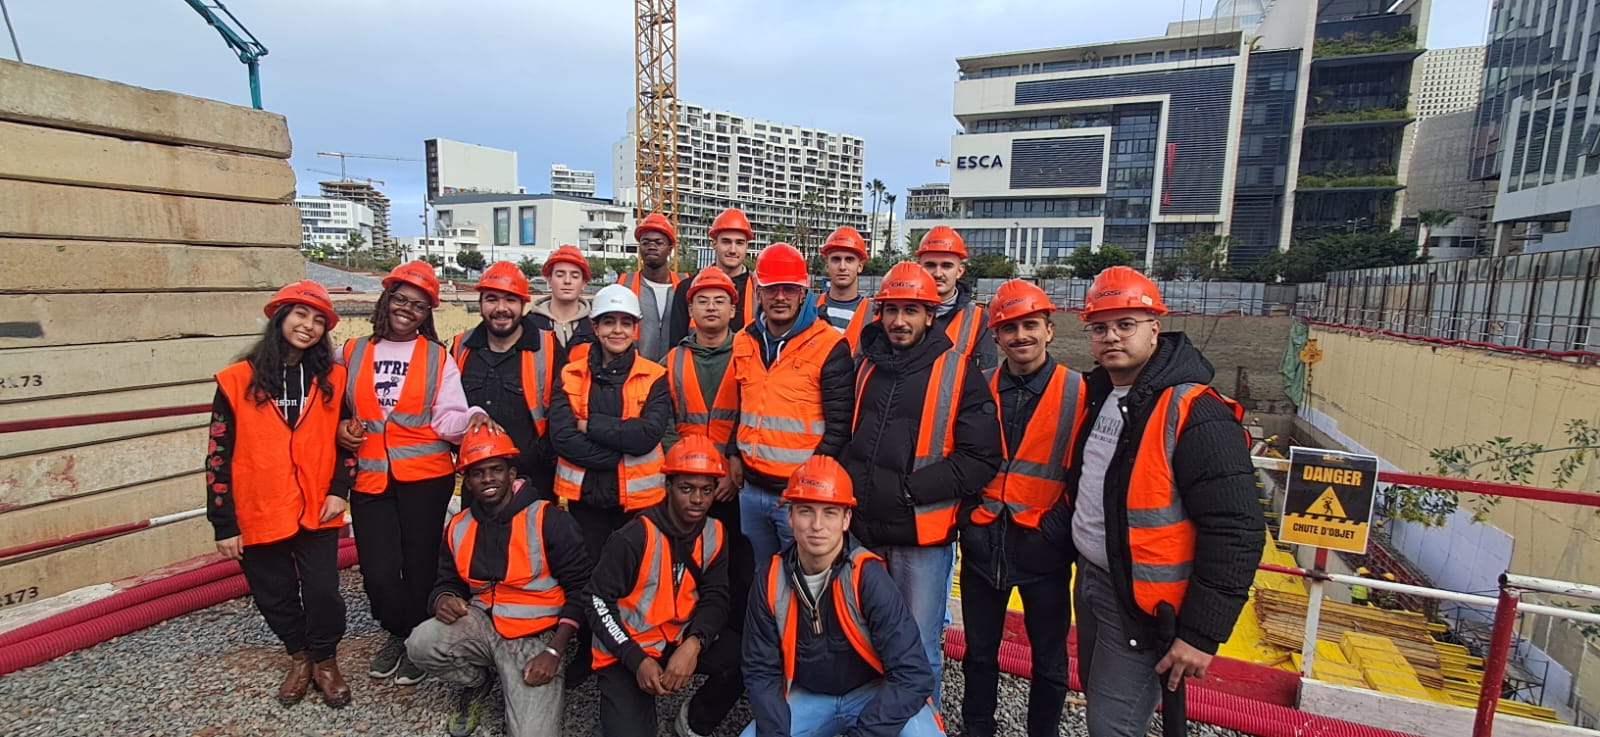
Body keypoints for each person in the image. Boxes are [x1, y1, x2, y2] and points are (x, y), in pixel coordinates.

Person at [1066, 266, 1264, 737]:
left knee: (1111, 725)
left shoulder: (1196, 411)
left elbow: (1237, 526)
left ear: (1156, 328)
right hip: (1093, 580)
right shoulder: (1104, 395)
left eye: (1125, 324)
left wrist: (1200, 633)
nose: (1111, 336)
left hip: (1145, 604)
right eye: (1100, 327)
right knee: (1099, 698)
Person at [844, 261, 1001, 698]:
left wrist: (911, 490)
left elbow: (982, 458)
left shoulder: (957, 371)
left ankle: (920, 724)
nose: (899, 321)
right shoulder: (865, 367)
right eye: (891, 310)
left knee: (919, 648)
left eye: (911, 310)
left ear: (931, 316)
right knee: (864, 637)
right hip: (864, 530)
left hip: (922, 539)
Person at [338, 260, 498, 686]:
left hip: (426, 478)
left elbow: (448, 416)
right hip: (371, 479)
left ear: (428, 314)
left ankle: (414, 639)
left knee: (422, 564)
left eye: (420, 305)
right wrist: (339, 425)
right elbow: (331, 403)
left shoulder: (435, 356)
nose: (408, 309)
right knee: (378, 569)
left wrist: (474, 417)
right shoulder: (352, 352)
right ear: (386, 299)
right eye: (402, 299)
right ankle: (397, 629)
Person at [207, 280, 354, 708]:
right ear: (280, 318)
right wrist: (224, 522)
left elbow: (347, 442)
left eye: (318, 320)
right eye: (300, 315)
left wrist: (340, 490)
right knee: (273, 591)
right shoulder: (236, 381)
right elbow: (217, 454)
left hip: (317, 505)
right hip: (260, 506)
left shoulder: (331, 378)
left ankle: (326, 660)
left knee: (324, 590)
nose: (308, 326)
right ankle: (299, 656)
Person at [405, 426, 592, 737]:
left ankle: (515, 680)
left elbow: (582, 589)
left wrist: (555, 652)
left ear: (512, 473)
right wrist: (443, 599)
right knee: (420, 644)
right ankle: (477, 683)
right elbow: (446, 580)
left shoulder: (548, 519)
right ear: (467, 479)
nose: (488, 479)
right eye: (478, 473)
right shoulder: (459, 526)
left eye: (496, 470)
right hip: (480, 623)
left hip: (534, 636)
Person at [958, 279, 1084, 737]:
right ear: (996, 338)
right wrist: (968, 521)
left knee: (1050, 660)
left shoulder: (1079, 391)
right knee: (979, 652)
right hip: (983, 543)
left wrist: (1054, 531)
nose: (1020, 337)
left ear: (1049, 330)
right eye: (1009, 329)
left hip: (1042, 551)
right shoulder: (979, 387)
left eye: (1030, 325)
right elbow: (961, 456)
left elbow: (1085, 474)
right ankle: (977, 728)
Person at [741, 455, 944, 737]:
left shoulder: (867, 577)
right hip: (809, 697)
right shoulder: (770, 579)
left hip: (872, 694)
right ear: (789, 516)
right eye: (805, 511)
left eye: (830, 513)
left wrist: (865, 733)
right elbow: (761, 671)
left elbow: (912, 675)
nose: (817, 525)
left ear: (846, 519)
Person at [547, 283, 673, 685]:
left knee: (634, 579)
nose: (617, 330)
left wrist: (592, 427)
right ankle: (587, 651)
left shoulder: (655, 376)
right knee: (588, 579)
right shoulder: (570, 374)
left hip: (636, 503)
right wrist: (618, 451)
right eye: (608, 322)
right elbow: (562, 438)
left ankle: (633, 651)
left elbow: (646, 436)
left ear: (636, 329)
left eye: (624, 323)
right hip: (586, 500)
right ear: (594, 326)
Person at [585, 434, 741, 737]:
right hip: (627, 647)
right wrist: (636, 659)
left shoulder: (715, 532)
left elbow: (717, 597)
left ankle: (694, 721)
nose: (697, 499)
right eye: (687, 489)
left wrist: (694, 645)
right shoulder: (632, 537)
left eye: (706, 490)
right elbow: (596, 601)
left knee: (749, 657)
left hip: (678, 638)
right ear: (667, 487)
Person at [731, 243, 855, 568]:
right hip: (751, 488)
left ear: (804, 293)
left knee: (802, 579)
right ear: (759, 292)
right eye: (772, 289)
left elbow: (839, 429)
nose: (780, 297)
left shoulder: (829, 345)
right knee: (760, 578)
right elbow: (740, 405)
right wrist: (733, 453)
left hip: (797, 496)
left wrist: (806, 488)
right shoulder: (744, 340)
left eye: (789, 289)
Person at [451, 261, 560, 492]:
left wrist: (540, 455)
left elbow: (564, 410)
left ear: (523, 304)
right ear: (480, 304)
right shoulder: (461, 346)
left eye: (510, 299)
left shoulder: (547, 346)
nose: (501, 308)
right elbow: (447, 406)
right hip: (478, 480)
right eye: (492, 299)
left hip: (533, 479)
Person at [915, 226, 997, 371]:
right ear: (919, 268)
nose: (938, 273)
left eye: (947, 266)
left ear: (960, 271)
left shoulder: (977, 320)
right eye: (930, 265)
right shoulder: (900, 313)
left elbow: (986, 375)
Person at [669, 207, 757, 342]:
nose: (733, 250)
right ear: (714, 244)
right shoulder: (687, 288)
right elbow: (676, 346)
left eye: (739, 243)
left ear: (747, 246)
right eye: (726, 242)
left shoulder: (759, 290)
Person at [618, 213, 682, 362]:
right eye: (646, 243)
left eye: (659, 243)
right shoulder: (624, 284)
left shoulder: (684, 285)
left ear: (670, 249)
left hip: (676, 372)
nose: (652, 247)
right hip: (634, 372)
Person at [815, 226, 874, 351]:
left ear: (860, 266)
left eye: (849, 260)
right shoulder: (809, 307)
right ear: (827, 265)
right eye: (836, 259)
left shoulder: (873, 313)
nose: (842, 267)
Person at [528, 244, 595, 352]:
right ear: (549, 280)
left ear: (584, 283)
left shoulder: (595, 326)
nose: (567, 281)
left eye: (575, 276)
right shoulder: (528, 325)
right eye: (560, 275)